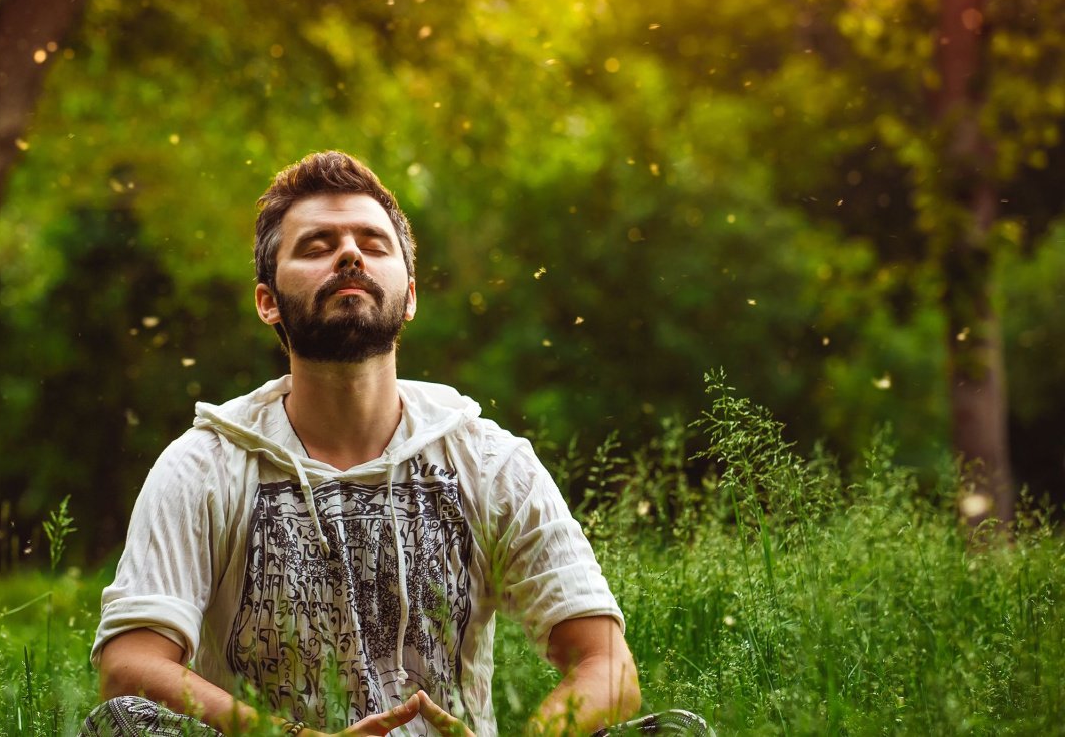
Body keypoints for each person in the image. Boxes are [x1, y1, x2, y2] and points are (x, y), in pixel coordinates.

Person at [82, 152, 709, 736]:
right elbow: (131, 667)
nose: (349, 255)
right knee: (121, 723)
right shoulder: (204, 465)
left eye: (372, 243)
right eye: (318, 246)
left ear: (409, 295)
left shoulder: (490, 461)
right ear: (268, 302)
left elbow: (605, 664)